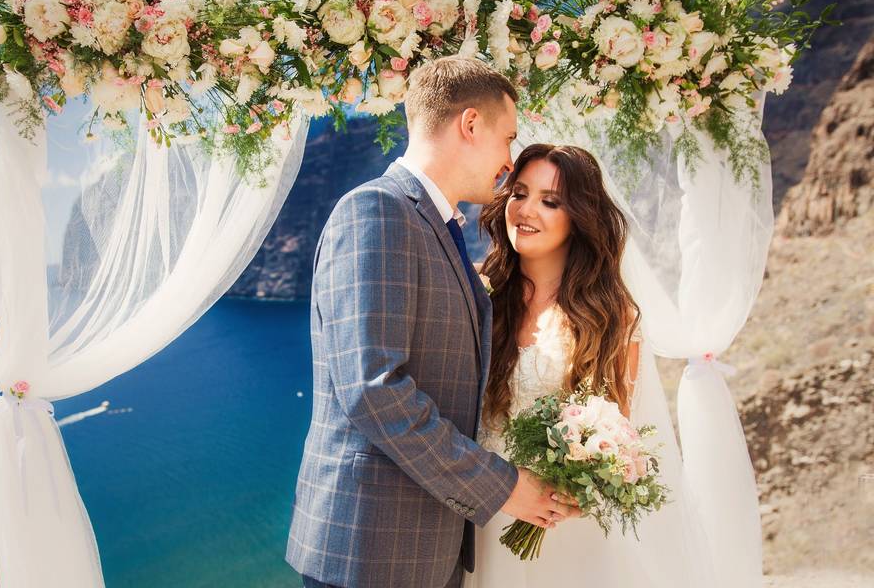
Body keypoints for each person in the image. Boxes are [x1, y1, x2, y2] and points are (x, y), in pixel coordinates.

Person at [285, 57, 580, 588]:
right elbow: (376, 391)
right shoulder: (377, 210)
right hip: (371, 554)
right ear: (470, 124)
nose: (508, 161)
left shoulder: (436, 226)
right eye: (506, 138)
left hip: (426, 552)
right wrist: (506, 487)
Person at [465, 144, 715, 588]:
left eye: (550, 200)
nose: (525, 210)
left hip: (565, 530)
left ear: (578, 215)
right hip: (482, 513)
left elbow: (619, 434)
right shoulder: (477, 290)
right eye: (519, 192)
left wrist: (581, 490)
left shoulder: (612, 316)